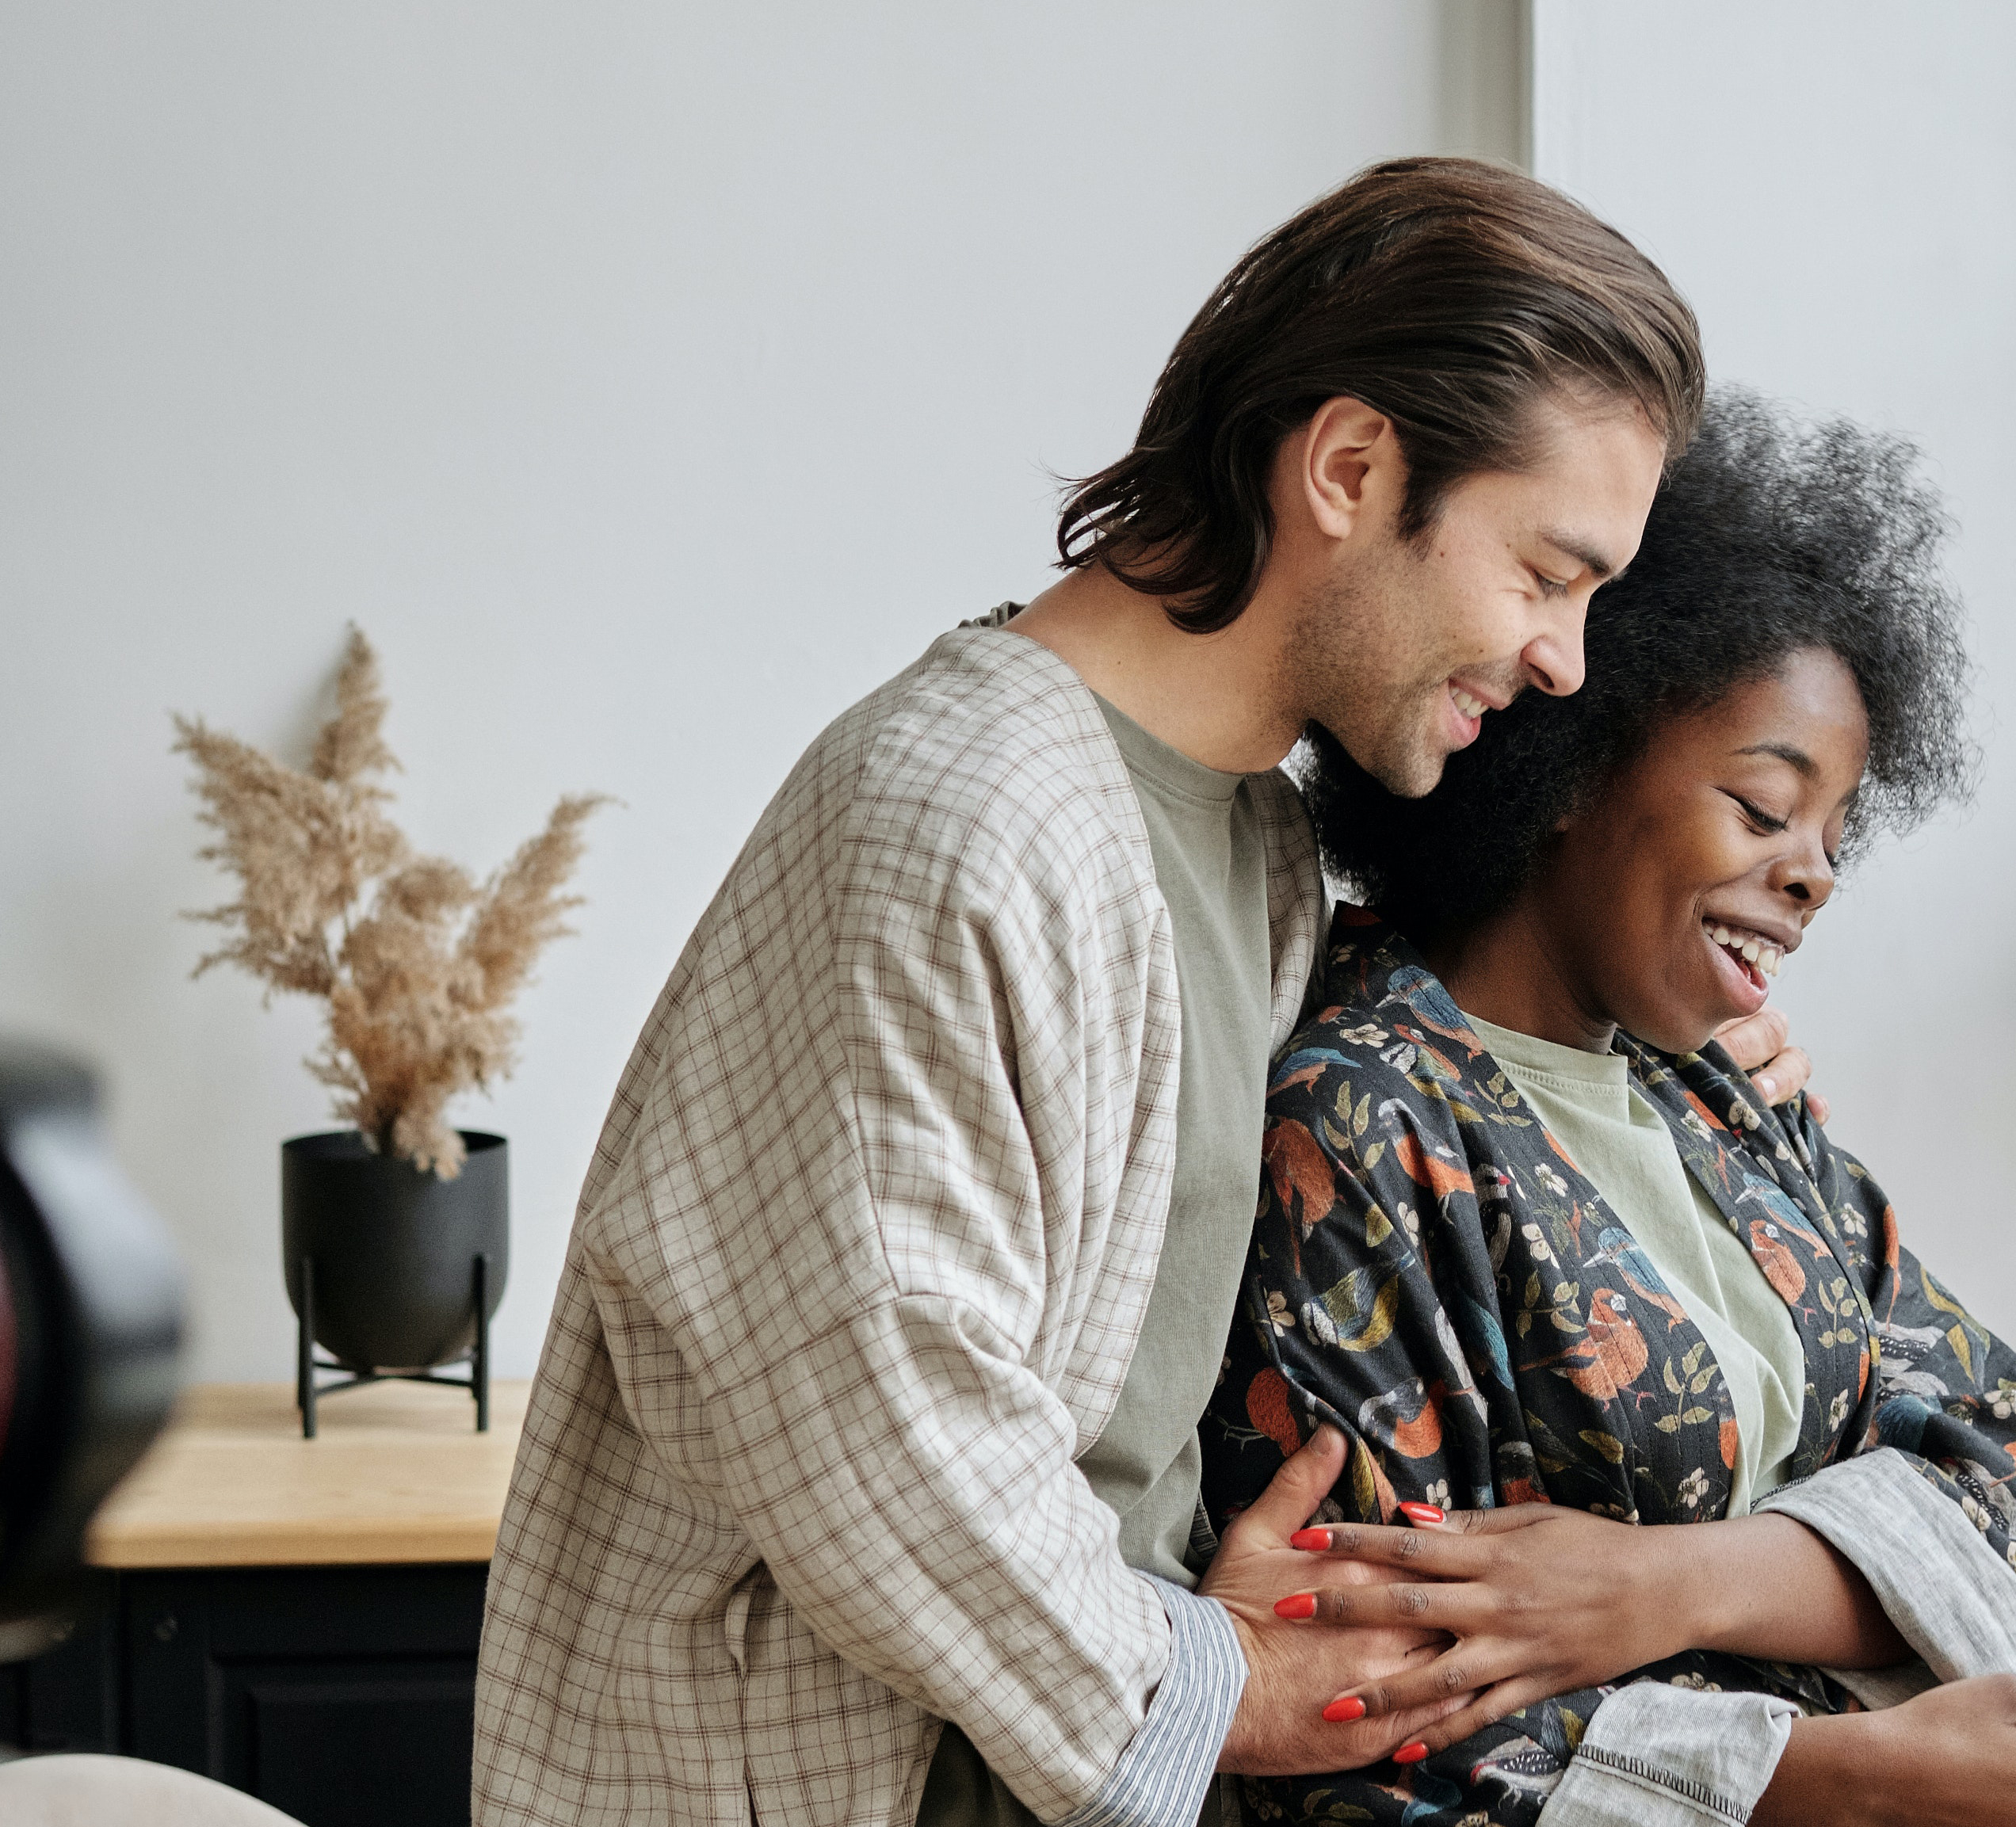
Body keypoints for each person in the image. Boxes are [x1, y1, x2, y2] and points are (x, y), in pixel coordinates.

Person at [474, 158, 1820, 1827]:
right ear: (1348, 467)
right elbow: (887, 1426)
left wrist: (1661, 1061)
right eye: (1546, 575)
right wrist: (1228, 1686)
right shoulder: (959, 809)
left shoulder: (1244, 831)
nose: (1565, 658)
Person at [1197, 394, 2016, 1827]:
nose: (1816, 875)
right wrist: (1833, 1780)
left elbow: (2007, 1442)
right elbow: (1349, 1690)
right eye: (1765, 810)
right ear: (1570, 768)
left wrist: (1666, 1586)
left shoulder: (1725, 1087)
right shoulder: (1360, 1123)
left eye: (1835, 834)